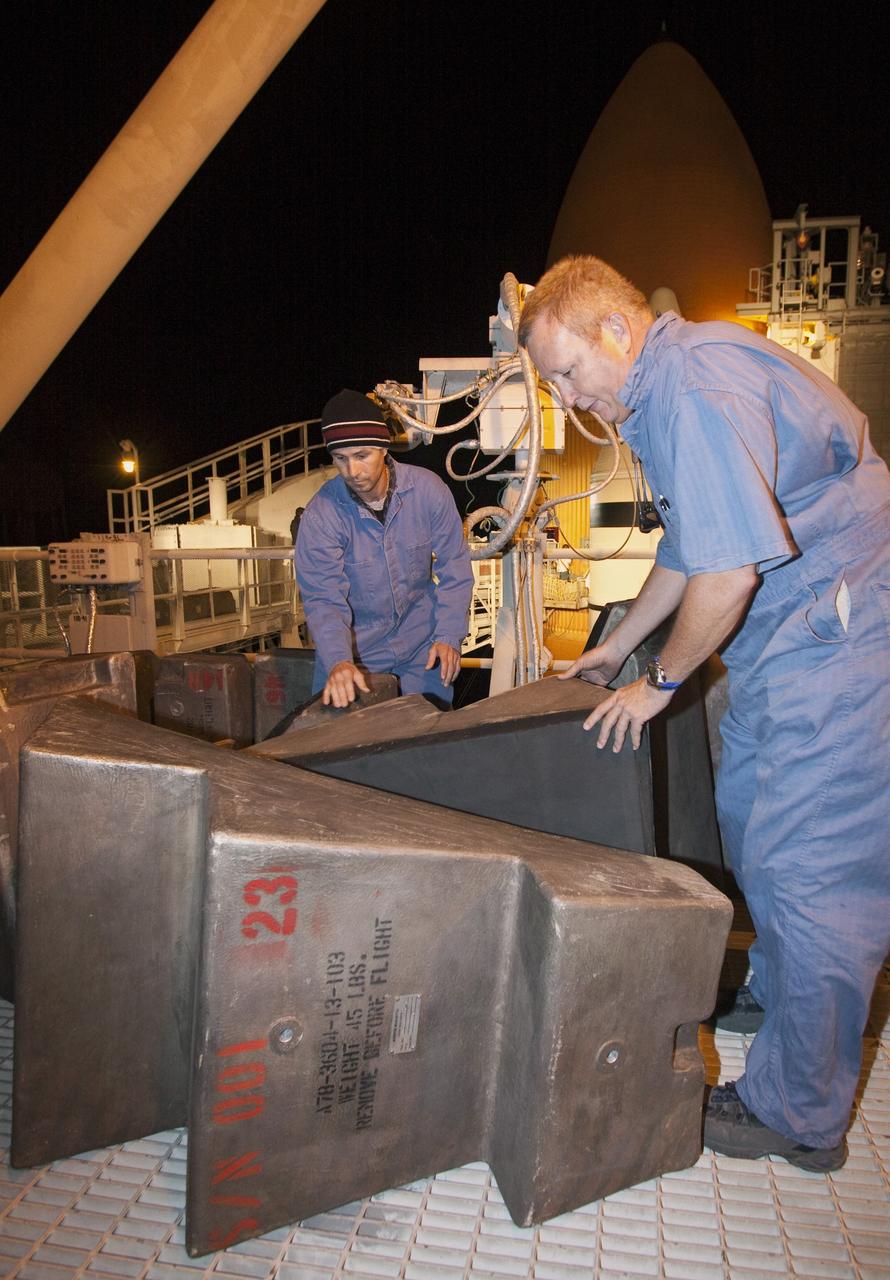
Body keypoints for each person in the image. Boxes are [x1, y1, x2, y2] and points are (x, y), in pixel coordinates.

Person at [518, 254, 890, 1172]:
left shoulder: (689, 386)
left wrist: (661, 683)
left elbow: (728, 575)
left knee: (811, 855)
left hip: (843, 631)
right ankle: (782, 989)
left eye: (566, 372)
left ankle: (797, 1113)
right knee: (752, 815)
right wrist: (623, 645)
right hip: (790, 637)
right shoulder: (658, 392)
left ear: (616, 327)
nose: (566, 400)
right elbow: (691, 548)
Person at [295, 389, 474, 709]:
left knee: (427, 737)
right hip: (356, 653)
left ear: (383, 446)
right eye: (341, 458)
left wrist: (448, 635)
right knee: (341, 747)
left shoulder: (429, 491)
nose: (352, 471)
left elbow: (455, 566)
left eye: (362, 455)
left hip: (422, 646)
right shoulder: (321, 515)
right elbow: (323, 596)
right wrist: (338, 660)